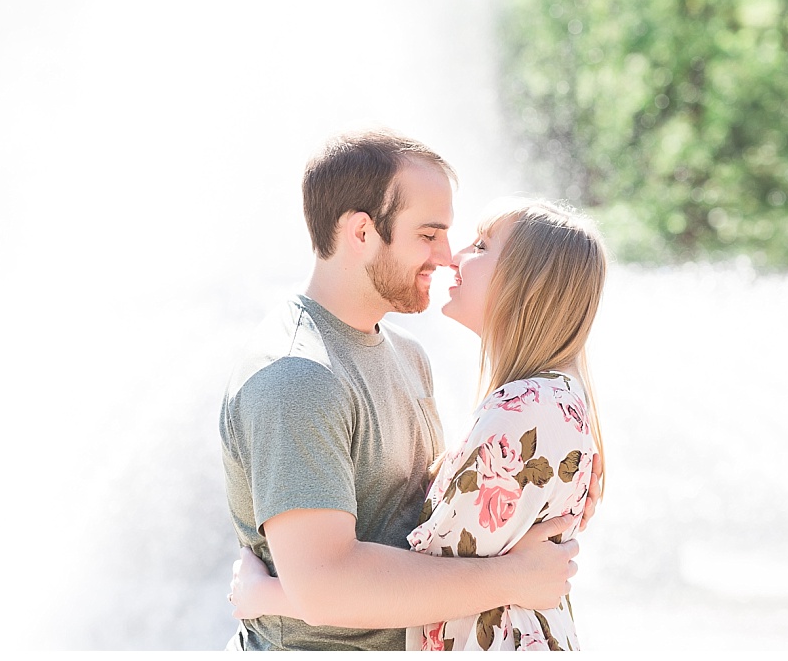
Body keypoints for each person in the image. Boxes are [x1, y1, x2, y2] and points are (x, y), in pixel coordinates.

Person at [219, 131, 592, 652]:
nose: (447, 256)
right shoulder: (296, 377)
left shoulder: (407, 355)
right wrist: (514, 578)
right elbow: (325, 586)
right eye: (428, 234)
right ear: (362, 232)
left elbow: (433, 525)